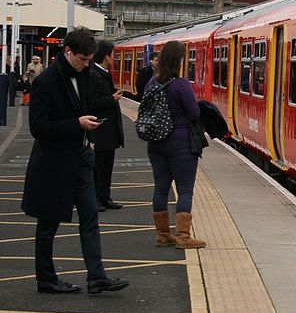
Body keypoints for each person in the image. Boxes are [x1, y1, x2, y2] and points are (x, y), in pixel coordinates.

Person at [21, 27, 129, 295]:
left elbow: (83, 107)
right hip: (54, 163)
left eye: (90, 59)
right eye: (82, 58)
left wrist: (88, 130)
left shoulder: (84, 76)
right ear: (68, 52)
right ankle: (46, 278)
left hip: (81, 156)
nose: (86, 64)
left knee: (90, 214)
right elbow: (39, 128)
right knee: (48, 223)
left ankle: (96, 275)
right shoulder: (45, 82)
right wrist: (76, 124)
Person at [145, 41, 206, 249]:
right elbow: (194, 113)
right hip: (180, 143)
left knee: (161, 188)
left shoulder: (152, 83)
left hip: (155, 143)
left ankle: (163, 235)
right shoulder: (181, 84)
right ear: (178, 60)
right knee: (185, 189)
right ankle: (183, 237)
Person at [90, 40, 125, 211]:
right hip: (101, 131)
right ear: (106, 57)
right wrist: (112, 99)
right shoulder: (94, 75)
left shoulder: (102, 73)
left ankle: (105, 197)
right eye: (112, 54)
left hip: (108, 132)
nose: (114, 57)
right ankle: (96, 198)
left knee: (106, 167)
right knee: (98, 167)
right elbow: (92, 102)